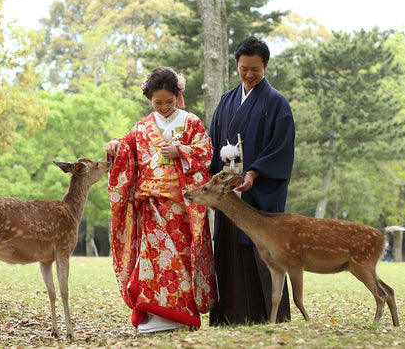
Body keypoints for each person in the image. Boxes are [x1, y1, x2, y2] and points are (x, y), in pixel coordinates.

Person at [106, 67, 217, 333]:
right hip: (151, 205)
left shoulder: (191, 122)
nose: (164, 107)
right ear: (149, 99)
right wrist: (114, 144)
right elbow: (126, 147)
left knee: (180, 258)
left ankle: (181, 316)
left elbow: (206, 152)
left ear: (177, 95)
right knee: (153, 259)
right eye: (158, 102)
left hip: (181, 206)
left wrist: (180, 150)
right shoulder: (142, 127)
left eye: (169, 101)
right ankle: (153, 317)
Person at [208, 37, 295, 325]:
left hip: (258, 191)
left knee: (261, 249)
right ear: (237, 65)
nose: (248, 74)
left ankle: (270, 317)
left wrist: (255, 172)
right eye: (244, 68)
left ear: (266, 66)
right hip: (229, 190)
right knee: (230, 248)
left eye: (255, 69)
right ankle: (231, 316)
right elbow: (213, 142)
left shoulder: (276, 102)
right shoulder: (227, 100)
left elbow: (281, 148)